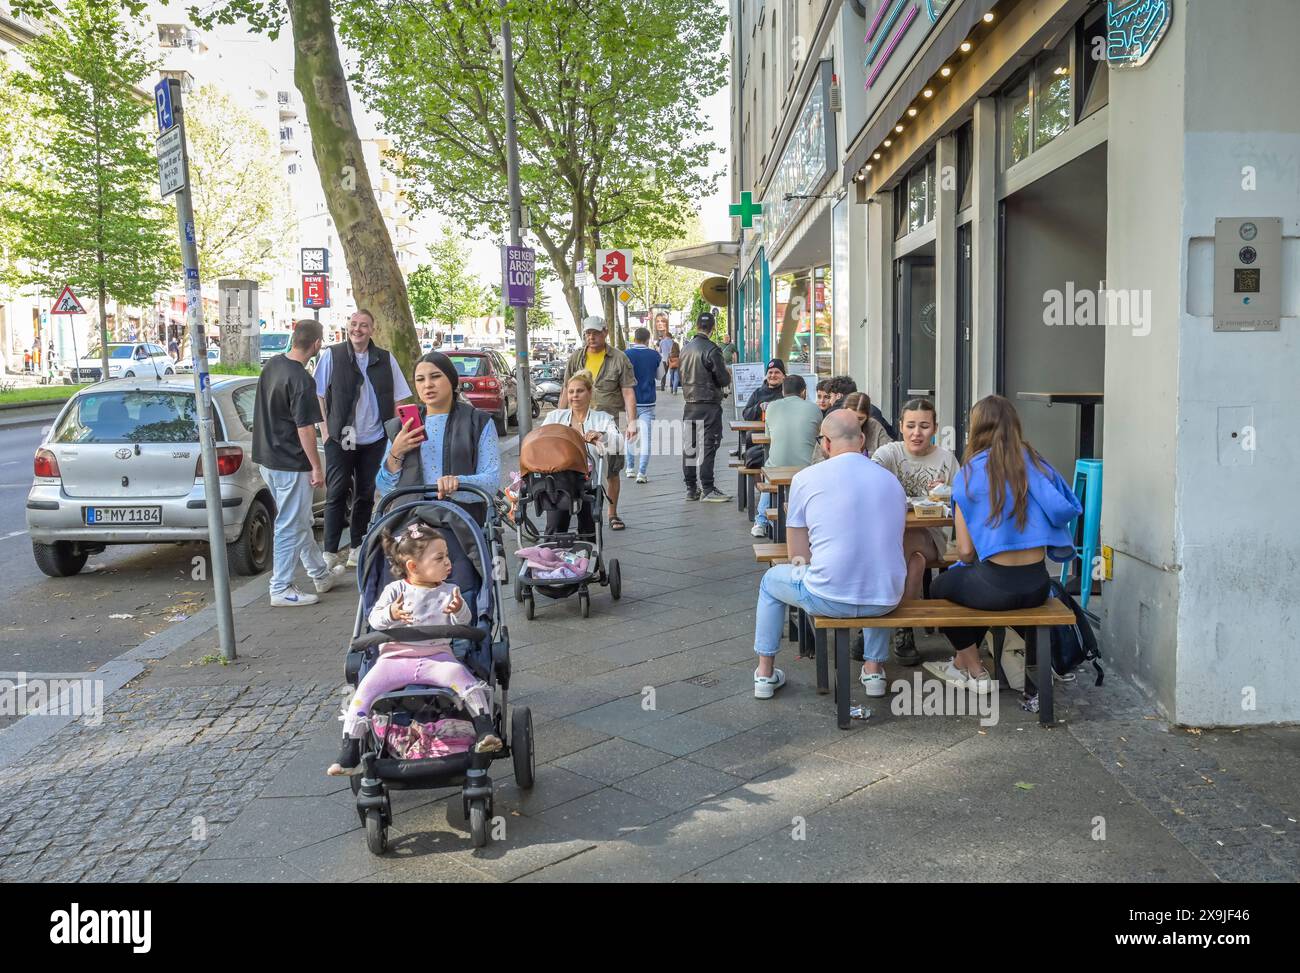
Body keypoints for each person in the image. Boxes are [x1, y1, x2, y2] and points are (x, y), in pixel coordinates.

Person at [928, 394, 1082, 692]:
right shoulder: (1038, 465)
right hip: (1038, 585)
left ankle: (973, 666)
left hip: (995, 588)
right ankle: (960, 663)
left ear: (976, 429)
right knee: (973, 587)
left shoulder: (970, 473)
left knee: (940, 587)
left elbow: (966, 551)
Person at [752, 410, 907, 699]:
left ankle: (764, 674)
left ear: (825, 443)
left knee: (770, 582)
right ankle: (874, 669)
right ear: (862, 440)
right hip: (886, 599)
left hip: (828, 597)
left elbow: (798, 555)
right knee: (875, 569)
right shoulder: (890, 481)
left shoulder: (806, 478)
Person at [327, 522, 500, 776]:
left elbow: (464, 621)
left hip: (437, 657)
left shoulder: (450, 591)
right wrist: (392, 612)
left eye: (448, 556)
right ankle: (349, 750)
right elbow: (374, 620)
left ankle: (485, 729)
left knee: (463, 679)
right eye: (440, 558)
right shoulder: (395, 590)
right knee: (363, 692)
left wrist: (458, 609)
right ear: (413, 566)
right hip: (395, 659)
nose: (448, 562)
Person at [315, 309, 412, 572]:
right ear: (347, 326)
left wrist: (393, 434)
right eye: (354, 324)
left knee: (366, 493)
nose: (358, 329)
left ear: (372, 330)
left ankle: (356, 546)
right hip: (341, 436)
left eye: (364, 325)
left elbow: (399, 399)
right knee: (336, 492)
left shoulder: (385, 359)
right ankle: (330, 551)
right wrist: (325, 431)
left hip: (375, 437)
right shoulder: (332, 355)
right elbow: (319, 395)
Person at [251, 319, 337, 607]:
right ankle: (281, 587)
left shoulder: (273, 365)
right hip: (291, 462)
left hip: (267, 458)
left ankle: (320, 573)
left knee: (299, 520)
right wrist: (316, 466)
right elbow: (305, 429)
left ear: (293, 338)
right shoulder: (302, 380)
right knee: (291, 524)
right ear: (316, 344)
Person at [872, 398, 961, 665]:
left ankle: (875, 624)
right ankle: (903, 626)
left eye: (924, 426)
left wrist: (946, 493)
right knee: (914, 559)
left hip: (932, 536)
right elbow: (870, 473)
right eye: (910, 425)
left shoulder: (946, 460)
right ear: (900, 427)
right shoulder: (891, 452)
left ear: (935, 428)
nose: (916, 433)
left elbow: (964, 499)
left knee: (910, 540)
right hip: (891, 537)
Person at [376, 351, 500, 524]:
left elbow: (492, 482)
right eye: (420, 379)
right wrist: (396, 452)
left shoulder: (478, 423)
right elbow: (384, 488)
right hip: (410, 521)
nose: (427, 385)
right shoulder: (401, 426)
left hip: (459, 520)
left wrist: (457, 482)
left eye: (435, 376)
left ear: (451, 380)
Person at [559, 316, 637, 530]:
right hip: (577, 420)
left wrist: (632, 422)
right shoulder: (576, 358)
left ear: (605, 332)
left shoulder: (619, 358)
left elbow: (628, 392)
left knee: (611, 470)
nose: (591, 337)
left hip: (608, 421)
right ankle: (579, 509)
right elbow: (567, 389)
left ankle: (612, 513)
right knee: (573, 465)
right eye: (587, 333)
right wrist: (558, 418)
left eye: (595, 333)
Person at [541, 371, 623, 534]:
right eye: (571, 392)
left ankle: (590, 557)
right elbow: (540, 441)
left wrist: (602, 436)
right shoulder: (555, 416)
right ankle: (553, 557)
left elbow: (619, 443)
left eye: (580, 391)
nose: (575, 396)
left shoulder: (603, 418)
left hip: (589, 482)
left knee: (588, 529)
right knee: (555, 528)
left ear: (590, 393)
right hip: (558, 481)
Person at [752, 374, 821, 538]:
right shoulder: (814, 409)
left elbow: (769, 437)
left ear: (783, 391)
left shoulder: (771, 407)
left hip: (777, 465)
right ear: (804, 392)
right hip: (806, 466)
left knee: (771, 469)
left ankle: (760, 521)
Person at [678, 310, 732, 502]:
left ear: (697, 325)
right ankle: (708, 487)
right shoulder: (712, 349)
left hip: (690, 404)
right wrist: (727, 374)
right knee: (709, 446)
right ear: (712, 328)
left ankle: (691, 488)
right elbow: (722, 378)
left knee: (690, 448)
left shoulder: (685, 349)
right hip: (709, 404)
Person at [622, 326, 661, 483]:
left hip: (628, 402)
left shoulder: (625, 355)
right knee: (646, 439)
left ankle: (630, 468)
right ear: (648, 339)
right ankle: (642, 473)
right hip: (648, 402)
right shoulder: (654, 355)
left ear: (634, 338)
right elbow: (660, 376)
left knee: (629, 436)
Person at [656, 316, 674, 391]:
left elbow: (660, 351)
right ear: (670, 336)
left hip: (664, 359)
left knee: (664, 374)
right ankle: (671, 386)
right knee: (672, 372)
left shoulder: (662, 342)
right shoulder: (672, 342)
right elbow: (674, 350)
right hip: (672, 359)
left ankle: (662, 387)